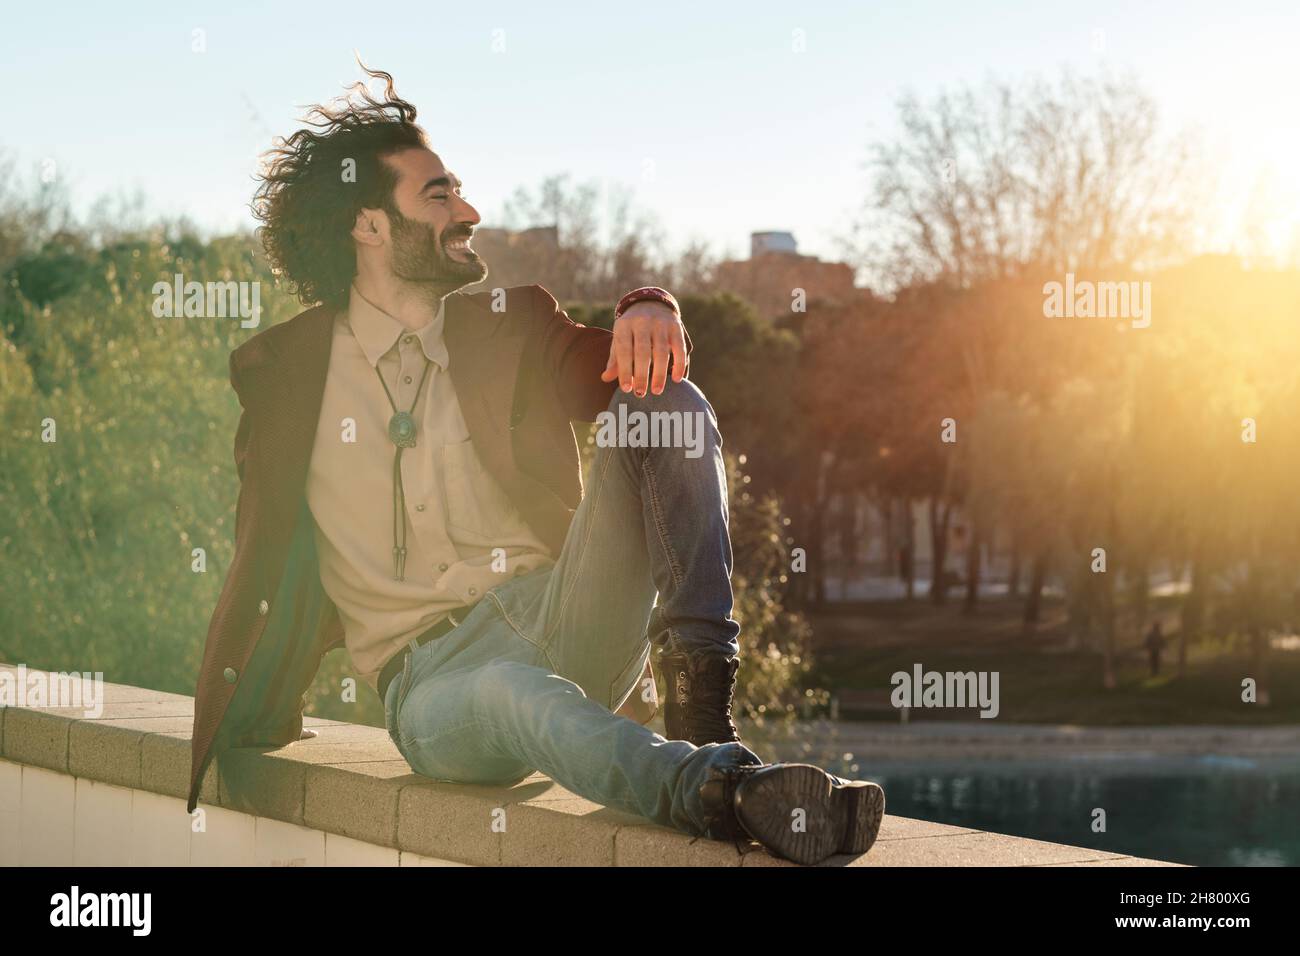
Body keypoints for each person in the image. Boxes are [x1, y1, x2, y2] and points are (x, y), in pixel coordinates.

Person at [185, 66, 883, 865]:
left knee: (666, 402)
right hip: (433, 685)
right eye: (440, 196)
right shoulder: (285, 375)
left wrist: (648, 307)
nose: (469, 212)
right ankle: (722, 791)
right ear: (369, 225)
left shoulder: (510, 326)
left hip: (563, 611)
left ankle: (702, 715)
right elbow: (260, 556)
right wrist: (248, 702)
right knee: (511, 690)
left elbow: (625, 372)